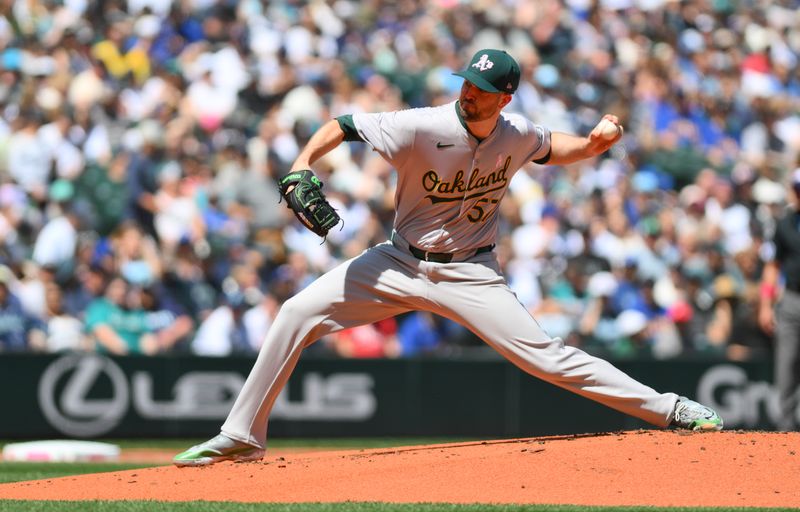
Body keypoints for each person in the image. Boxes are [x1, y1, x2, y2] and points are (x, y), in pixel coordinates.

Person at [174, 49, 723, 466]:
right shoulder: (423, 125)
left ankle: (671, 409)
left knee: (549, 359)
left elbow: (559, 147)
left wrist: (597, 144)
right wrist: (301, 163)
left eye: (483, 88)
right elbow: (341, 126)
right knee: (296, 312)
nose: (470, 92)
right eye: (467, 82)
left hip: (471, 271)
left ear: (504, 98)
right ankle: (243, 436)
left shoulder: (517, 134)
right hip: (397, 262)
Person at [758, 170, 800, 431]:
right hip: (792, 301)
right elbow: (772, 266)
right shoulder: (784, 223)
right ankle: (786, 435)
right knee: (786, 369)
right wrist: (765, 304)